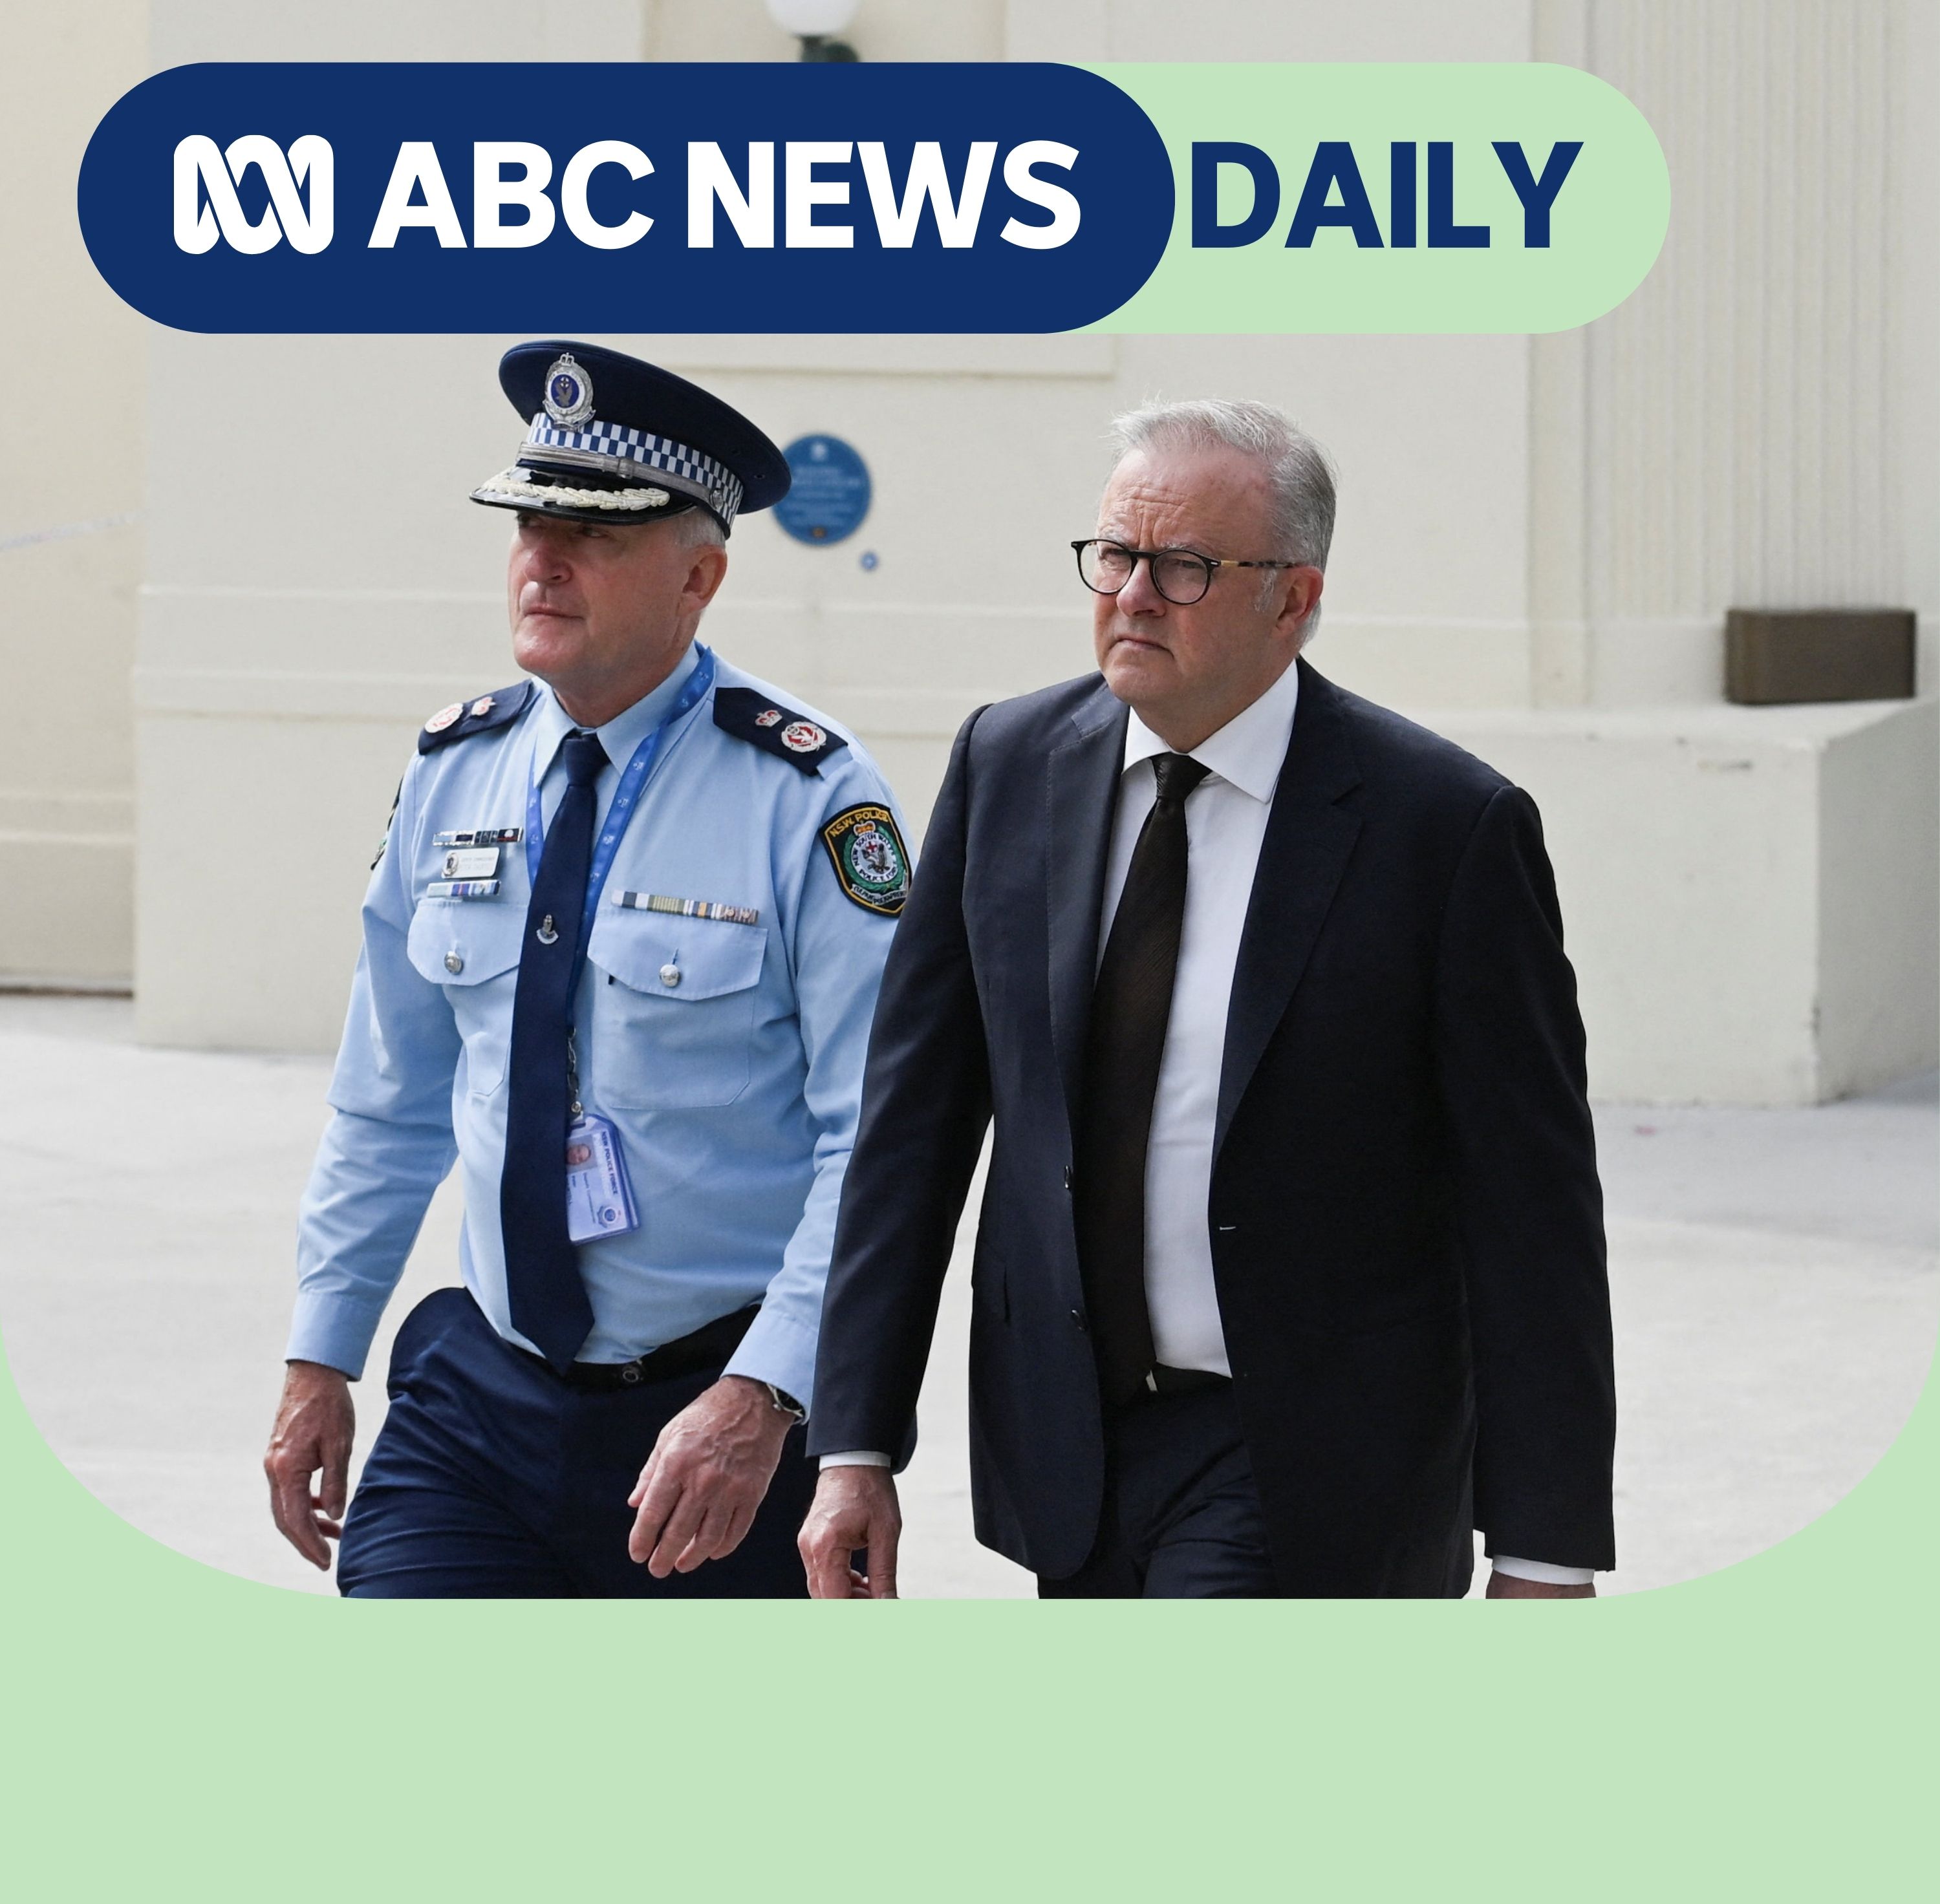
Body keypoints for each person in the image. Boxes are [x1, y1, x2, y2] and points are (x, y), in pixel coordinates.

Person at [799, 400, 1615, 1599]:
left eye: (1183, 567)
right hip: (1070, 1445)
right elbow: (911, 1131)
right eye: (1115, 556)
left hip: (1310, 1464)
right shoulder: (1006, 766)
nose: (1132, 594)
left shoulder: (1444, 829)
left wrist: (1546, 1546)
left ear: (1293, 599)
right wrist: (854, 1445)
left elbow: (1530, 1209)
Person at [264, 341, 910, 1597]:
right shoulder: (455, 769)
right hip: (482, 1401)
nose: (542, 560)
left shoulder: (813, 801)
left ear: (700, 575)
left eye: (595, 533)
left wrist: (765, 1394)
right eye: (527, 524)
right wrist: (318, 1355)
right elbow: (386, 1099)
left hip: (718, 1418)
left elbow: (874, 1145)